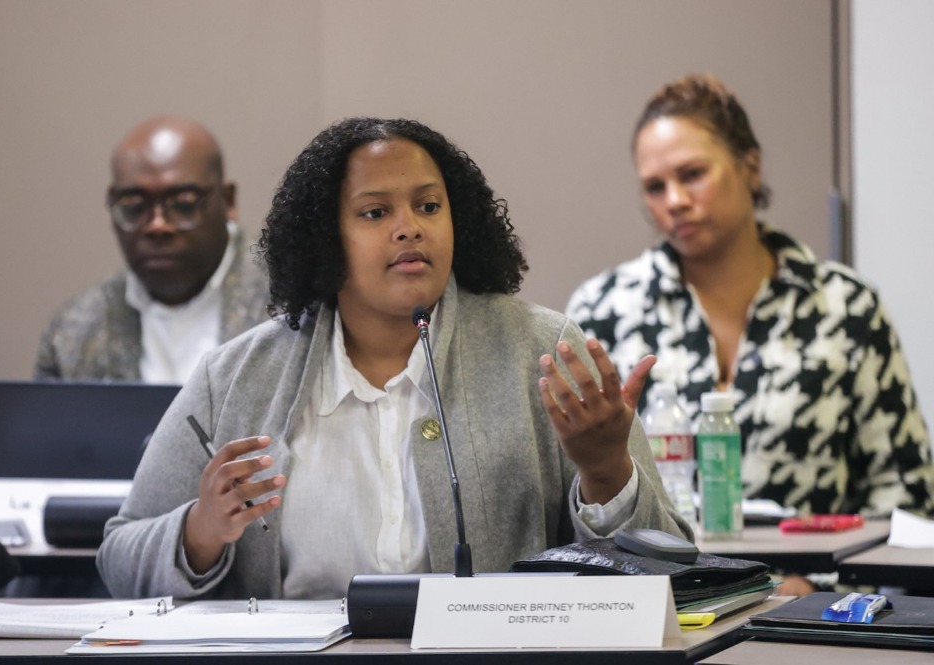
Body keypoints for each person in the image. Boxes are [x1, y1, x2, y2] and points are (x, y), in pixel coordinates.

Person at [97, 117, 690, 600]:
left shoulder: (541, 351)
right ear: (327, 238)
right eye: (376, 212)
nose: (409, 228)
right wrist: (199, 533)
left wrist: (607, 470)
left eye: (429, 207)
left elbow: (675, 570)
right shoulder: (235, 377)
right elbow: (118, 555)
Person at [567, 74, 934, 594]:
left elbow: (905, 500)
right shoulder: (603, 310)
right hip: (659, 606)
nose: (673, 200)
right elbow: (576, 498)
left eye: (692, 174)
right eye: (654, 186)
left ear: (750, 166)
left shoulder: (846, 307)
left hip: (818, 612)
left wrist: (825, 591)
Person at [35, 116, 269, 384]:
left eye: (184, 204)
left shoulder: (296, 307)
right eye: (134, 206)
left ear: (228, 201)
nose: (158, 226)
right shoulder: (72, 333)